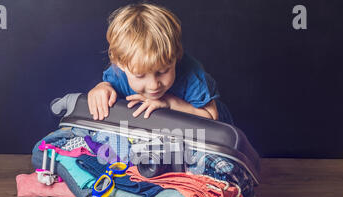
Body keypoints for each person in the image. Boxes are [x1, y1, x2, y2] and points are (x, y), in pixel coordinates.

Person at [87, 2, 233, 124]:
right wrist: (101, 88)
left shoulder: (192, 75)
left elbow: (211, 118)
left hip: (214, 134)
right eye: (140, 75)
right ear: (120, 64)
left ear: (176, 56)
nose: (153, 85)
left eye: (163, 71)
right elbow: (108, 86)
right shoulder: (118, 73)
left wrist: (169, 103)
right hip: (159, 131)